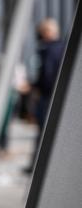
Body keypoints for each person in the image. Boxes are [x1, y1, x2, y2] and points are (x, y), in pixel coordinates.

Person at [24, 18, 65, 174]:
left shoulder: (47, 50)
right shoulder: (64, 48)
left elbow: (46, 75)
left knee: (43, 131)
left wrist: (34, 87)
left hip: (47, 96)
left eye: (41, 33)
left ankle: (38, 166)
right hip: (58, 95)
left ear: (47, 33)